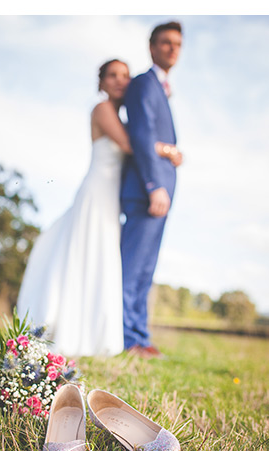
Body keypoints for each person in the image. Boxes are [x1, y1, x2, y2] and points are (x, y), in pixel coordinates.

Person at [16, 59, 181, 357]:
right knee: (86, 254)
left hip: (111, 196)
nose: (120, 81)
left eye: (125, 76)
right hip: (96, 193)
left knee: (102, 259)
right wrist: (167, 149)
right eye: (113, 76)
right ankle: (71, 326)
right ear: (101, 83)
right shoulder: (102, 109)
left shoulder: (120, 115)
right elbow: (132, 145)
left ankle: (94, 330)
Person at [120, 21, 183, 359]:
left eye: (177, 43)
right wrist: (154, 185)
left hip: (159, 194)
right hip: (146, 191)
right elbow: (142, 137)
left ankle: (140, 335)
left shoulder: (161, 87)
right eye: (165, 42)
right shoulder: (144, 83)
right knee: (133, 267)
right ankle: (128, 339)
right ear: (151, 46)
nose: (172, 48)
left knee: (146, 269)